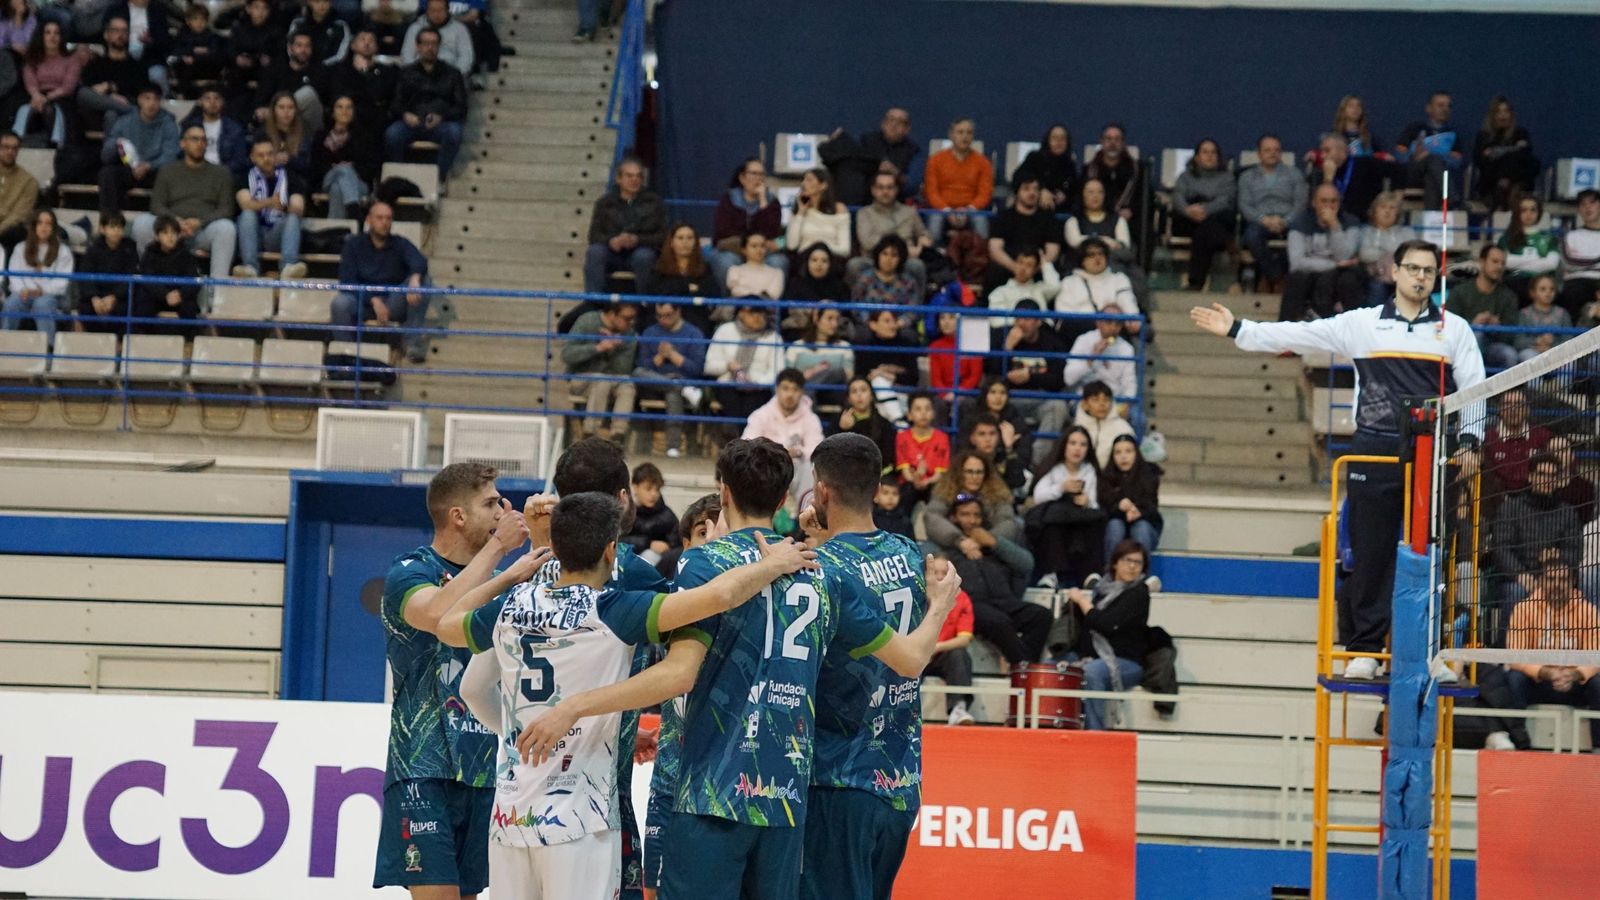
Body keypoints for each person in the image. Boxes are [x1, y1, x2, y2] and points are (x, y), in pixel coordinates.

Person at [452, 490, 818, 900]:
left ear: (555, 546)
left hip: (510, 817)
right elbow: (718, 597)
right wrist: (770, 565)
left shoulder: (511, 605)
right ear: (612, 551)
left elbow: (448, 623)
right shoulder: (614, 610)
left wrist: (507, 575)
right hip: (578, 821)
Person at [658, 437, 957, 900]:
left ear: (819, 491)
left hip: (820, 780)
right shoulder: (898, 555)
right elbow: (911, 657)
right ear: (878, 486)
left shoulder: (800, 565)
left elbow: (686, 668)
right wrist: (939, 607)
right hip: (889, 779)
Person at [1190, 239, 1485, 678]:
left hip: (1433, 455)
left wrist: (1471, 443)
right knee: (1371, 554)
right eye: (1413, 268)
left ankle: (1430, 653)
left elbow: (1476, 388)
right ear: (1394, 271)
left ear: (1435, 276)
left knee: (1432, 555)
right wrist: (1240, 330)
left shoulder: (1454, 329)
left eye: (1428, 270)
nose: (1420, 277)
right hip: (1373, 450)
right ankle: (1365, 650)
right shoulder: (1361, 324)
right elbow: (1298, 333)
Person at [799, 432, 954, 900]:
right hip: (900, 778)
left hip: (838, 780)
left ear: (822, 491)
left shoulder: (822, 568)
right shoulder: (908, 552)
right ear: (878, 483)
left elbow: (842, 576)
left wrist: (817, 539)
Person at [368, 463, 533, 900]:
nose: (501, 510)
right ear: (458, 515)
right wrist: (500, 552)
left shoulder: (501, 580)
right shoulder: (409, 570)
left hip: (482, 766)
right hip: (423, 765)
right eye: (491, 503)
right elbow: (438, 615)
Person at [1060, 539, 1154, 730]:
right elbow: (1086, 625)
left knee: (1092, 672)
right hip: (1091, 656)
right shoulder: (1101, 589)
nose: (1133, 566)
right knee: (1050, 667)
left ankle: (1095, 735)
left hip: (1126, 662)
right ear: (1115, 562)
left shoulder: (1139, 593)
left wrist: (1083, 602)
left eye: (1138, 562)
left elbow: (1106, 625)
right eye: (1129, 560)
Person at [947, 493, 1047, 665]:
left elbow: (1026, 563)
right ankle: (1025, 670)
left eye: (976, 515)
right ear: (953, 518)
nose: (972, 520)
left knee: (1041, 615)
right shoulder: (946, 547)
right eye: (965, 514)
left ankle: (1020, 666)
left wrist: (993, 543)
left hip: (1004, 600)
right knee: (999, 621)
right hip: (972, 605)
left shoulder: (994, 546)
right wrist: (961, 543)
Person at [1491, 459, 1585, 640]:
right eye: (1542, 474)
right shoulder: (1511, 508)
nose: (1547, 480)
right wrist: (1521, 575)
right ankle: (1505, 655)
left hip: (1560, 579)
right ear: (1531, 476)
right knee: (1516, 592)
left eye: (1552, 476)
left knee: (1587, 585)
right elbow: (1501, 548)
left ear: (1558, 480)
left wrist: (1557, 562)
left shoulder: (1567, 512)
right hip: (1520, 578)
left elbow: (1575, 550)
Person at [132, 124, 238, 284]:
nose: (200, 143)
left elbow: (226, 209)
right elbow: (156, 205)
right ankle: (148, 281)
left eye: (203, 140)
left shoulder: (221, 173)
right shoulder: (167, 171)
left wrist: (200, 222)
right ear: (183, 143)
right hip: (171, 229)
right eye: (195, 139)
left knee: (226, 228)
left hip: (203, 231)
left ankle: (217, 290)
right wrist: (175, 222)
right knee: (141, 224)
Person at [329, 201, 431, 361]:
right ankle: (346, 354)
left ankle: (411, 343)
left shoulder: (400, 243)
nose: (385, 223)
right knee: (340, 303)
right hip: (363, 302)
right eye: (380, 218)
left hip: (392, 302)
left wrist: (415, 279)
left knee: (423, 281)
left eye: (388, 218)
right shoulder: (354, 244)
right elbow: (347, 280)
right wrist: (373, 299)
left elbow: (419, 261)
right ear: (369, 220)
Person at [993, 299, 1070, 461]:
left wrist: (1031, 376)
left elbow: (1058, 380)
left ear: (1038, 322)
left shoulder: (1052, 342)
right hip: (1010, 398)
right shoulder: (1003, 337)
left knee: (1058, 406)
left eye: (1027, 319)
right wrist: (1007, 349)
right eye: (1018, 319)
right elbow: (992, 374)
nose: (1022, 324)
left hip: (1041, 399)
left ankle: (1035, 462)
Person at [1029, 426, 1105, 588]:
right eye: (1073, 443)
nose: (1077, 449)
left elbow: (1096, 503)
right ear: (1064, 445)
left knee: (1095, 522)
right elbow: (1038, 496)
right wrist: (1061, 488)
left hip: (1081, 518)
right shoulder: (1054, 469)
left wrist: (1087, 501)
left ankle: (1090, 574)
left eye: (1083, 444)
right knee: (1052, 524)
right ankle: (1051, 574)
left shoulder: (1090, 471)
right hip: (1058, 520)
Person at [386, 26, 466, 178]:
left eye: (434, 44)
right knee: (392, 134)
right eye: (426, 43)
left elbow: (461, 107)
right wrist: (405, 115)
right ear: (418, 46)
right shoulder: (405, 73)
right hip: (411, 122)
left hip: (441, 123)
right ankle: (396, 177)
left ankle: (438, 177)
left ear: (439, 46)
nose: (430, 48)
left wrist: (441, 116)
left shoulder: (453, 73)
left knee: (455, 132)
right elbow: (395, 103)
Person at [583, 155, 666, 294]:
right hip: (612, 252)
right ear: (618, 179)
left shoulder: (655, 202)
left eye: (638, 176)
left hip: (642, 251)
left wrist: (637, 240)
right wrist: (611, 241)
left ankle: (645, 303)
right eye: (629, 176)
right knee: (595, 252)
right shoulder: (605, 203)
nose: (635, 180)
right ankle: (594, 302)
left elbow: (662, 236)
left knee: (644, 257)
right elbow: (594, 235)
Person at [742, 367, 825, 504]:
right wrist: (777, 453)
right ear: (777, 390)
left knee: (811, 468)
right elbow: (746, 444)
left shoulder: (811, 419)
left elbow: (817, 450)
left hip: (798, 468)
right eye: (785, 388)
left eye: (795, 389)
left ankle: (807, 515)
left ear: (802, 392)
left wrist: (798, 451)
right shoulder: (760, 415)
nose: (790, 394)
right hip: (767, 468)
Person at [1281, 183, 1363, 321]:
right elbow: (1296, 263)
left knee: (1349, 280)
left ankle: (1355, 328)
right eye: (1323, 201)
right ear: (1314, 203)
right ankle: (1284, 330)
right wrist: (1334, 264)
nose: (1329, 206)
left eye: (1333, 201)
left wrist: (1335, 225)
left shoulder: (1351, 222)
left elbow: (1344, 255)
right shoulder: (1300, 222)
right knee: (1297, 278)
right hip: (1314, 271)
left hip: (1340, 274)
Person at [1237, 133, 1308, 293]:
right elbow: (1244, 205)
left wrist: (1285, 221)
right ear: (1259, 153)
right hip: (1259, 221)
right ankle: (1276, 277)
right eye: (1267, 150)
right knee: (1252, 236)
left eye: (1276, 150)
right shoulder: (1247, 177)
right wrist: (1263, 220)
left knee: (1298, 237)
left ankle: (1270, 277)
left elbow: (1300, 203)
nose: (1272, 153)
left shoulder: (1294, 174)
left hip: (1288, 221)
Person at [635, 299, 705, 459]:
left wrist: (673, 356)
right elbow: (642, 365)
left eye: (667, 315)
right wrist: (658, 357)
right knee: (638, 373)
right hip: (655, 383)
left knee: (673, 393)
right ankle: (678, 385)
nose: (663, 320)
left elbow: (697, 369)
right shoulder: (650, 332)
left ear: (678, 311)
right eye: (659, 316)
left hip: (684, 380)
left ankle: (672, 447)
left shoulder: (694, 333)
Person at [924, 449, 1022, 559]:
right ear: (959, 473)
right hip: (951, 545)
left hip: (989, 545)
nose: (974, 477)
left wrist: (985, 540)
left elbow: (1006, 521)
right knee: (926, 549)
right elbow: (933, 516)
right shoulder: (944, 491)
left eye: (979, 472)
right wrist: (960, 540)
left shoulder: (998, 493)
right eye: (969, 472)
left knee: (1018, 525)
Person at [561, 301, 639, 440]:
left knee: (627, 385)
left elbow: (624, 370)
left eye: (633, 318)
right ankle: (590, 433)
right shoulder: (587, 321)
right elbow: (567, 354)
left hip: (612, 378)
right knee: (601, 380)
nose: (631, 322)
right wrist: (597, 348)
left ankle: (618, 435)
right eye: (626, 318)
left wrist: (613, 349)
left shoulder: (629, 334)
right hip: (581, 377)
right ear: (611, 314)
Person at [703, 303, 782, 439]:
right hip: (728, 382)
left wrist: (757, 383)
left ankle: (747, 444)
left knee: (754, 405)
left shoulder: (773, 337)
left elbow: (777, 371)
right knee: (734, 403)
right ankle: (739, 444)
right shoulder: (725, 331)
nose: (758, 317)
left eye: (761, 313)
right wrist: (727, 366)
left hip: (759, 387)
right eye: (753, 313)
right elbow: (709, 366)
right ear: (741, 314)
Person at [233, 137, 308, 279]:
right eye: (261, 155)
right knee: (247, 215)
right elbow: (245, 204)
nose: (266, 158)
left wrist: (285, 207)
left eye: (270, 154)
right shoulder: (244, 177)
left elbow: (299, 207)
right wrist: (269, 203)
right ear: (252, 158)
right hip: (255, 233)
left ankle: (288, 267)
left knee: (293, 218)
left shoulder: (290, 176)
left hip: (278, 233)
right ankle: (250, 267)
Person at [98, 84, 179, 215]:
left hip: (155, 170)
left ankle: (165, 219)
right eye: (147, 98)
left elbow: (171, 155)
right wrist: (116, 143)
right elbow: (105, 155)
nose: (151, 103)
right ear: (140, 100)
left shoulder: (168, 122)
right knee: (108, 173)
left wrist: (149, 165)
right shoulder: (125, 121)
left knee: (171, 174)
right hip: (130, 168)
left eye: (156, 99)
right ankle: (110, 220)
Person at [848, 170, 931, 298]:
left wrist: (923, 240)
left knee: (916, 266)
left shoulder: (909, 213)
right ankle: (857, 312)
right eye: (880, 187)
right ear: (873, 190)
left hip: (903, 261)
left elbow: (923, 234)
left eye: (889, 187)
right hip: (873, 260)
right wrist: (903, 249)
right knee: (855, 265)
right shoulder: (864, 213)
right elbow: (867, 243)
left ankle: (916, 313)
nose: (885, 192)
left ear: (896, 190)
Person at [817, 106, 922, 206]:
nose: (894, 125)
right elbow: (832, 154)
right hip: (860, 201)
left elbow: (912, 186)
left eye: (900, 122)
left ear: (907, 128)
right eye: (890, 120)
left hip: (893, 207)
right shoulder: (865, 140)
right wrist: (835, 142)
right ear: (883, 123)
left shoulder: (913, 151)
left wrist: (896, 173)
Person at [1169, 138, 1235, 291]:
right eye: (1205, 152)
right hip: (1188, 218)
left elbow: (1225, 200)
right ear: (1197, 157)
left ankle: (1195, 282)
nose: (1209, 156)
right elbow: (1178, 196)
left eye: (1213, 152)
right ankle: (1226, 240)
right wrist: (1187, 210)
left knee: (1206, 229)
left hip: (1214, 217)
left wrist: (1204, 210)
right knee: (1208, 229)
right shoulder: (1185, 177)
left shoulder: (1227, 178)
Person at [709, 157, 784, 287]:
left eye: (761, 174)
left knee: (779, 262)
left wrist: (763, 202)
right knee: (726, 261)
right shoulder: (729, 199)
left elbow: (772, 233)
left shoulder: (772, 202)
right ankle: (730, 303)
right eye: (754, 173)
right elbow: (723, 231)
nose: (758, 178)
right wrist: (748, 244)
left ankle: (767, 303)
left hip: (762, 250)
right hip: (733, 248)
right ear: (742, 178)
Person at [1448, 244, 1520, 371]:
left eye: (1503, 263)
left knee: (1510, 355)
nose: (1499, 267)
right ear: (1481, 262)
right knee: (1477, 336)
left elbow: (1512, 336)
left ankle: (1507, 391)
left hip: (1495, 347)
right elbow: (1450, 328)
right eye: (1495, 261)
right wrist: (1473, 325)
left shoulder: (1509, 296)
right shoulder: (1459, 292)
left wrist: (1498, 327)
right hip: (1464, 347)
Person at [1, 206, 68, 341]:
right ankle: (4, 345)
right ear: (34, 226)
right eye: (40, 223)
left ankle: (48, 349)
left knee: (42, 305)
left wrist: (43, 290)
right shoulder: (20, 248)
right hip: (24, 293)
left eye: (48, 223)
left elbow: (63, 281)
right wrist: (22, 290)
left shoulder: (63, 251)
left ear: (53, 227)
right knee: (11, 304)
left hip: (50, 296)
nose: (44, 227)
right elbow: (14, 275)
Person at [985, 173, 1060, 293]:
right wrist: (1016, 268)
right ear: (1017, 191)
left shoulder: (1048, 219)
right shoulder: (1003, 217)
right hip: (1009, 268)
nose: (1032, 193)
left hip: (1037, 269)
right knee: (993, 272)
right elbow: (995, 249)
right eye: (1026, 188)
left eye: (1035, 189)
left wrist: (1032, 269)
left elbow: (1053, 250)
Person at [923, 117, 993, 243]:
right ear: (951, 135)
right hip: (942, 209)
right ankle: (934, 256)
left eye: (969, 133)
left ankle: (980, 257)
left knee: (980, 221)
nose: (965, 137)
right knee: (935, 221)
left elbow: (985, 193)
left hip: (972, 210)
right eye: (960, 132)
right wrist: (947, 210)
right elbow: (931, 192)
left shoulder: (984, 163)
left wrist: (969, 209)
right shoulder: (935, 160)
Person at [311, 93, 380, 219]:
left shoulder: (363, 136)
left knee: (337, 189)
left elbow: (371, 168)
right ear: (332, 112)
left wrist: (351, 168)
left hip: (358, 183)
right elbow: (315, 167)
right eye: (340, 107)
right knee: (343, 169)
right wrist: (339, 168)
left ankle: (335, 234)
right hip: (328, 179)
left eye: (349, 107)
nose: (345, 111)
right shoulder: (321, 136)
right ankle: (354, 210)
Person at [1055, 238, 1137, 341]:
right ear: (1082, 260)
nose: (1097, 258)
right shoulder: (1069, 282)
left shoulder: (1119, 279)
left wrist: (1133, 319)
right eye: (1091, 255)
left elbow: (1128, 303)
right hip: (1078, 332)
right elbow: (1063, 312)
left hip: (1112, 332)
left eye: (1101, 254)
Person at [1395, 91, 1464, 211]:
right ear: (1429, 108)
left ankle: (1430, 218)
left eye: (1448, 106)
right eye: (1440, 105)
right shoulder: (1414, 129)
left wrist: (1431, 155)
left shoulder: (1453, 135)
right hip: (1414, 175)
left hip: (1438, 177)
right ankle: (1453, 200)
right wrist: (1416, 156)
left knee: (1433, 171)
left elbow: (1456, 162)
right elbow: (1399, 155)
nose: (1445, 109)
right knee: (1433, 162)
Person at [76, 16, 145, 133]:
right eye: (116, 30)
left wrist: (110, 87)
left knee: (111, 114)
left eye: (124, 31)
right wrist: (110, 98)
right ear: (106, 35)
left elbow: (141, 90)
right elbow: (89, 92)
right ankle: (128, 110)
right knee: (82, 94)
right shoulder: (95, 64)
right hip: (96, 113)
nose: (120, 35)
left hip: (124, 112)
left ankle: (109, 150)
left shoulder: (136, 66)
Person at [14, 19, 76, 146]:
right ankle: (16, 142)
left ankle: (56, 146)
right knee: (26, 110)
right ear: (41, 36)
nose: (52, 37)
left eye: (56, 33)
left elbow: (68, 87)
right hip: (36, 96)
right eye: (47, 33)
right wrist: (37, 96)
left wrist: (46, 98)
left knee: (49, 110)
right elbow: (30, 82)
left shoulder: (71, 59)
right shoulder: (32, 57)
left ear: (61, 37)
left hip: (62, 99)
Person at [254, 30, 329, 136]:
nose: (303, 50)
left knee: (307, 94)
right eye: (299, 45)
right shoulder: (276, 69)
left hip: (307, 126)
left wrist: (274, 112)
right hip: (279, 126)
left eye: (307, 46)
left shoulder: (319, 71)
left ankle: (275, 114)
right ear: (290, 48)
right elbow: (262, 97)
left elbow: (317, 104)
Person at [1099, 434, 1162, 558]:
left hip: (1144, 527)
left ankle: (1142, 575)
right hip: (1116, 529)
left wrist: (1139, 513)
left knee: (1141, 528)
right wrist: (1119, 508)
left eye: (1128, 451)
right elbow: (1102, 512)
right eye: (1118, 452)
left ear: (1136, 453)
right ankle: (1110, 574)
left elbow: (1153, 511)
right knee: (1115, 526)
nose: (1123, 456)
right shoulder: (1105, 479)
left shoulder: (1149, 477)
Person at [852, 308, 920, 423]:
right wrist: (879, 376)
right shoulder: (865, 347)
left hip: (902, 396)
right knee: (879, 382)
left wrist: (891, 377)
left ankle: (898, 422)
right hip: (875, 398)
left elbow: (914, 378)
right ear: (873, 325)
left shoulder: (906, 345)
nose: (892, 325)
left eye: (894, 320)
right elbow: (860, 378)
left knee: (880, 385)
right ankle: (899, 422)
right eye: (887, 321)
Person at [76, 210, 138, 333]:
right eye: (112, 226)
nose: (116, 231)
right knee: (85, 308)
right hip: (96, 296)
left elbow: (131, 275)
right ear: (102, 229)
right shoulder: (93, 249)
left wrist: (114, 297)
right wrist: (94, 297)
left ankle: (119, 345)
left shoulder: (129, 249)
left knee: (131, 307)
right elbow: (85, 276)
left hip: (119, 297)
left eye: (120, 227)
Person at [328, 27, 398, 136]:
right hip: (350, 118)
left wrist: (366, 73)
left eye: (371, 40)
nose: (367, 43)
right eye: (362, 39)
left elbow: (381, 94)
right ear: (352, 45)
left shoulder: (387, 71)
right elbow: (341, 95)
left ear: (376, 47)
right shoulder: (341, 70)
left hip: (377, 121)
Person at [1482, 387, 1551, 497]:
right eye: (1507, 404)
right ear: (1500, 409)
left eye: (1518, 404)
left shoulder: (1542, 436)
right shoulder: (1487, 438)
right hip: (1496, 502)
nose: (1513, 409)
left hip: (1534, 502)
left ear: (1527, 409)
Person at [1473, 95, 1537, 211]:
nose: (1503, 116)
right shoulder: (1484, 137)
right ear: (1492, 115)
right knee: (1503, 172)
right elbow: (1481, 161)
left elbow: (1526, 157)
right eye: (1498, 112)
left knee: (1520, 165)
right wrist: (1514, 149)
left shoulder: (1520, 133)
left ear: (1511, 114)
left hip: (1518, 180)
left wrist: (1497, 153)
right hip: (1491, 182)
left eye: (1506, 111)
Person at [923, 587, 976, 725]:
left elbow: (964, 639)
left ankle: (958, 708)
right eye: (936, 573)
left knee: (959, 654)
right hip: (916, 649)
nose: (940, 578)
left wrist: (937, 648)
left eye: (944, 573)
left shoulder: (961, 597)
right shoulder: (915, 593)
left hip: (941, 653)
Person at [1309, 132, 1385, 224]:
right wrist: (1328, 180)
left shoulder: (1363, 167)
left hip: (1358, 224)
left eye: (1327, 151)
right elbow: (1314, 207)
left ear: (1343, 151)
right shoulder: (1318, 174)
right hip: (1323, 224)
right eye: (1321, 152)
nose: (1322, 156)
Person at [1497, 193, 1560, 303]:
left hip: (1542, 284)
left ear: (1539, 213)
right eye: (1524, 210)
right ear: (1517, 213)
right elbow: (1505, 263)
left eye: (1533, 210)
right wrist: (1537, 259)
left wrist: (1517, 261)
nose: (1528, 214)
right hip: (1514, 282)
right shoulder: (1506, 238)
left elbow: (1551, 264)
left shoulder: (1549, 238)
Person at [650, 223, 720, 319]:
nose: (685, 242)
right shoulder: (659, 268)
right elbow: (657, 293)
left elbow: (712, 293)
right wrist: (688, 287)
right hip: (665, 317)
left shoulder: (705, 267)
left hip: (696, 317)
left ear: (696, 242)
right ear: (671, 242)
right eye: (680, 238)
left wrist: (675, 288)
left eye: (690, 238)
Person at [1356, 191, 1413, 309]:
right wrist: (1391, 254)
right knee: (1377, 287)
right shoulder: (1366, 232)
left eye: (1392, 208)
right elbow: (1365, 254)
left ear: (1397, 212)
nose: (1387, 211)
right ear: (1374, 210)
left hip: (1403, 276)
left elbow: (1411, 254)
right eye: (1383, 207)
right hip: (1375, 277)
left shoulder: (1407, 233)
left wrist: (1381, 252)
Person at [1064, 315, 1137, 403]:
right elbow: (1069, 379)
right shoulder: (1083, 340)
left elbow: (1129, 382)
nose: (1113, 328)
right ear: (1098, 323)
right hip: (1085, 400)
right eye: (1108, 322)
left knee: (1137, 415)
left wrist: (1127, 403)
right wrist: (1092, 358)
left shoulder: (1127, 349)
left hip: (1114, 400)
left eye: (1118, 324)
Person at [831, 376, 897, 473]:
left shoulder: (884, 424)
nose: (859, 395)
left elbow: (888, 458)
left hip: (876, 476)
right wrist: (843, 430)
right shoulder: (838, 422)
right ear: (848, 398)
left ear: (871, 396)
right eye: (854, 391)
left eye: (863, 390)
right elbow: (832, 456)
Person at [181, 88, 250, 179]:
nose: (212, 102)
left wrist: (217, 171)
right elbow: (181, 154)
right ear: (200, 101)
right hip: (193, 173)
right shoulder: (189, 126)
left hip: (223, 175)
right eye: (207, 98)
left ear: (222, 102)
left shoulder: (234, 129)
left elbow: (240, 161)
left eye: (216, 98)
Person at [984, 245, 1059, 328]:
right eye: (1020, 262)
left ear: (1035, 269)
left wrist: (1044, 262)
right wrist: (1025, 323)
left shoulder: (1040, 289)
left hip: (1041, 335)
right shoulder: (1000, 292)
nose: (1023, 268)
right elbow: (996, 321)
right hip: (1013, 334)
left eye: (1029, 265)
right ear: (1015, 263)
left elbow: (1055, 286)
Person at [1064, 178, 1134, 267]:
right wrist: (1107, 241)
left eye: (1100, 192)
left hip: (1112, 268)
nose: (1095, 196)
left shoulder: (1118, 220)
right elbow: (1075, 242)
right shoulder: (1073, 221)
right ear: (1082, 195)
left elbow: (1123, 246)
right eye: (1090, 192)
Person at [896, 392, 948, 508]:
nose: (923, 413)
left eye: (927, 409)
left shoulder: (942, 438)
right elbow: (905, 471)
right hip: (909, 482)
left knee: (939, 495)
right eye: (918, 409)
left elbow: (940, 473)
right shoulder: (902, 437)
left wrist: (927, 481)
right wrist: (915, 479)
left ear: (933, 413)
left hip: (933, 483)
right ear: (909, 415)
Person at [785, 166, 850, 260]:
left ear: (823, 185)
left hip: (831, 260)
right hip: (804, 261)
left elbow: (845, 250)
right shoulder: (798, 209)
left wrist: (819, 246)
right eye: (803, 180)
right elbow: (791, 245)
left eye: (809, 180)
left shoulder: (838, 209)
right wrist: (801, 213)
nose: (803, 184)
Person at [784, 304, 852, 393]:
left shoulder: (844, 347)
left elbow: (849, 380)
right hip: (801, 392)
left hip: (833, 394)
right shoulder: (796, 347)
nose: (835, 324)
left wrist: (815, 373)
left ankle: (808, 391)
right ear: (816, 319)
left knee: (838, 372)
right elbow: (787, 379)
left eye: (837, 319)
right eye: (830, 318)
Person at [622, 462, 678, 567]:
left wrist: (666, 547)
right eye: (648, 489)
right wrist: (648, 544)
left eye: (657, 489)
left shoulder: (667, 516)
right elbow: (619, 542)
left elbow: (677, 545)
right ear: (635, 487)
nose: (653, 494)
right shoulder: (626, 513)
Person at [849, 233, 918, 320]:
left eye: (894, 255)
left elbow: (912, 311)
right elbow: (856, 307)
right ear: (878, 255)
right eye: (885, 254)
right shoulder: (865, 278)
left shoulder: (908, 282)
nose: (888, 259)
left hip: (898, 326)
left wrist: (898, 324)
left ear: (901, 258)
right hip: (870, 325)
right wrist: (873, 323)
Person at [1081, 123, 1140, 223]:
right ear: (1101, 142)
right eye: (1108, 139)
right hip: (1096, 221)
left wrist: (1132, 211)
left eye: (1117, 139)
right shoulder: (1089, 170)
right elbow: (1080, 199)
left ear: (1123, 143)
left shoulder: (1137, 170)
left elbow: (1145, 200)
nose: (1113, 143)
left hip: (1129, 221)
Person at [1557, 189, 1600, 321]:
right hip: (1577, 282)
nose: (1588, 207)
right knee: (1572, 293)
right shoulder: (1570, 236)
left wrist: (1584, 261)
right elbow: (1568, 263)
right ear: (1579, 210)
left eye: (1592, 203)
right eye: (1583, 204)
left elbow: (1576, 263)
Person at [962, 411, 1027, 497]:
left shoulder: (1005, 457)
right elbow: (956, 491)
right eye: (982, 434)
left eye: (992, 434)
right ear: (972, 439)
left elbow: (1018, 481)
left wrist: (1009, 448)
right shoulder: (963, 460)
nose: (988, 439)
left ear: (998, 437)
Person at [926, 310, 981, 408]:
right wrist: (945, 394)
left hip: (966, 393)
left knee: (967, 403)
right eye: (942, 318)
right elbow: (936, 378)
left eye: (951, 317)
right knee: (938, 403)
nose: (946, 322)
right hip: (943, 394)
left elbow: (974, 376)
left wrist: (958, 392)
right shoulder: (935, 346)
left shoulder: (972, 343)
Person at [1015, 123, 1077, 211]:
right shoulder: (1034, 158)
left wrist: (1065, 196)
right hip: (1033, 212)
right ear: (1048, 141)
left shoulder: (1070, 165)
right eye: (1055, 138)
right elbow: (1018, 179)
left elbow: (1075, 191)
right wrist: (1039, 191)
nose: (1059, 142)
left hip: (1061, 214)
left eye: (1063, 138)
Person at [403, 0, 473, 74]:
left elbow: (466, 58)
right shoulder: (415, 28)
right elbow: (407, 56)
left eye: (440, 10)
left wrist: (453, 76)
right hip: (419, 76)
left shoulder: (460, 29)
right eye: (432, 10)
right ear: (427, 10)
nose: (436, 14)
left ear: (447, 10)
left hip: (450, 75)